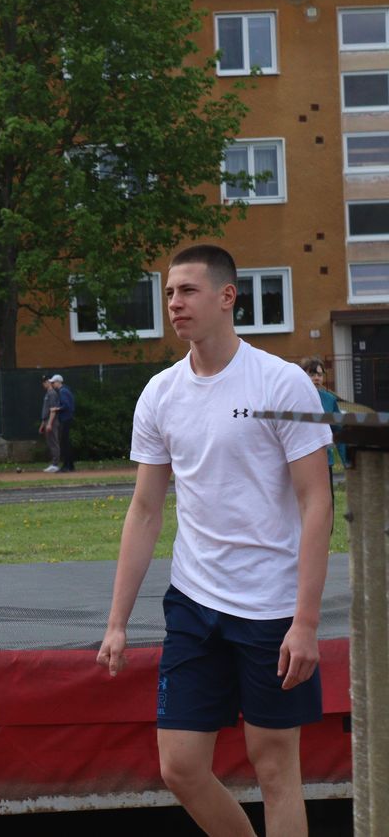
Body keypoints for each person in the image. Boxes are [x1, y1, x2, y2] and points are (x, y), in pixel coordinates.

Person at [97, 244, 332, 836]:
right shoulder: (161, 393)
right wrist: (117, 622)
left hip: (271, 609)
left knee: (275, 769)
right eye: (169, 293)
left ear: (228, 297)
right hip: (195, 603)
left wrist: (305, 622)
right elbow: (145, 510)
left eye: (187, 291)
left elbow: (317, 502)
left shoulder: (283, 383)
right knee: (180, 767)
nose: (174, 303)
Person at [299, 356, 347, 510]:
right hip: (300, 460)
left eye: (319, 374)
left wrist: (347, 461)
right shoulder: (293, 398)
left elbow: (339, 432)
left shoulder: (329, 400)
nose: (316, 378)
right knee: (303, 503)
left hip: (325, 461)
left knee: (326, 503)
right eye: (312, 374)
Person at [49, 374, 75, 472]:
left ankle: (66, 466)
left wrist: (56, 409)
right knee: (66, 442)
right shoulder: (65, 390)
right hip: (67, 418)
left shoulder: (63, 391)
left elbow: (66, 406)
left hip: (65, 419)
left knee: (64, 443)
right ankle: (70, 465)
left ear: (58, 382)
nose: (52, 384)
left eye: (53, 382)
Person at [38, 375, 61, 472]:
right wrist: (43, 424)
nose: (43, 384)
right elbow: (46, 410)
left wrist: (50, 423)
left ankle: (55, 464)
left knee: (53, 442)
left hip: (51, 421)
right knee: (50, 442)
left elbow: (53, 410)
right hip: (46, 420)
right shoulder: (48, 393)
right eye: (43, 382)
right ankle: (53, 463)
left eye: (45, 382)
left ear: (48, 382)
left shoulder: (52, 394)